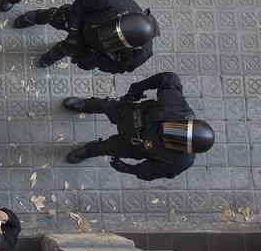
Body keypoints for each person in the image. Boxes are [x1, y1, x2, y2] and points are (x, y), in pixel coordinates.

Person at [63, 72, 214, 181]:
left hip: (132, 145)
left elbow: (151, 171)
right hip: (130, 114)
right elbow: (169, 78)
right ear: (185, 122)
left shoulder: (180, 162)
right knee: (107, 106)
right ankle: (85, 105)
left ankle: (87, 151)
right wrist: (138, 88)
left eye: (178, 139)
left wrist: (129, 169)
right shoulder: (176, 107)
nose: (167, 133)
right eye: (178, 129)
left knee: (106, 147)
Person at [13, 0, 158, 72]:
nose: (110, 35)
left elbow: (116, 66)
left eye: (117, 40)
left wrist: (95, 61)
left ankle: (55, 54)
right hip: (83, 21)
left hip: (93, 48)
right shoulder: (111, 1)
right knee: (55, 16)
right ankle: (35, 17)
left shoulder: (137, 57)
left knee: (70, 48)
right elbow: (82, 1)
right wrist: (74, 30)